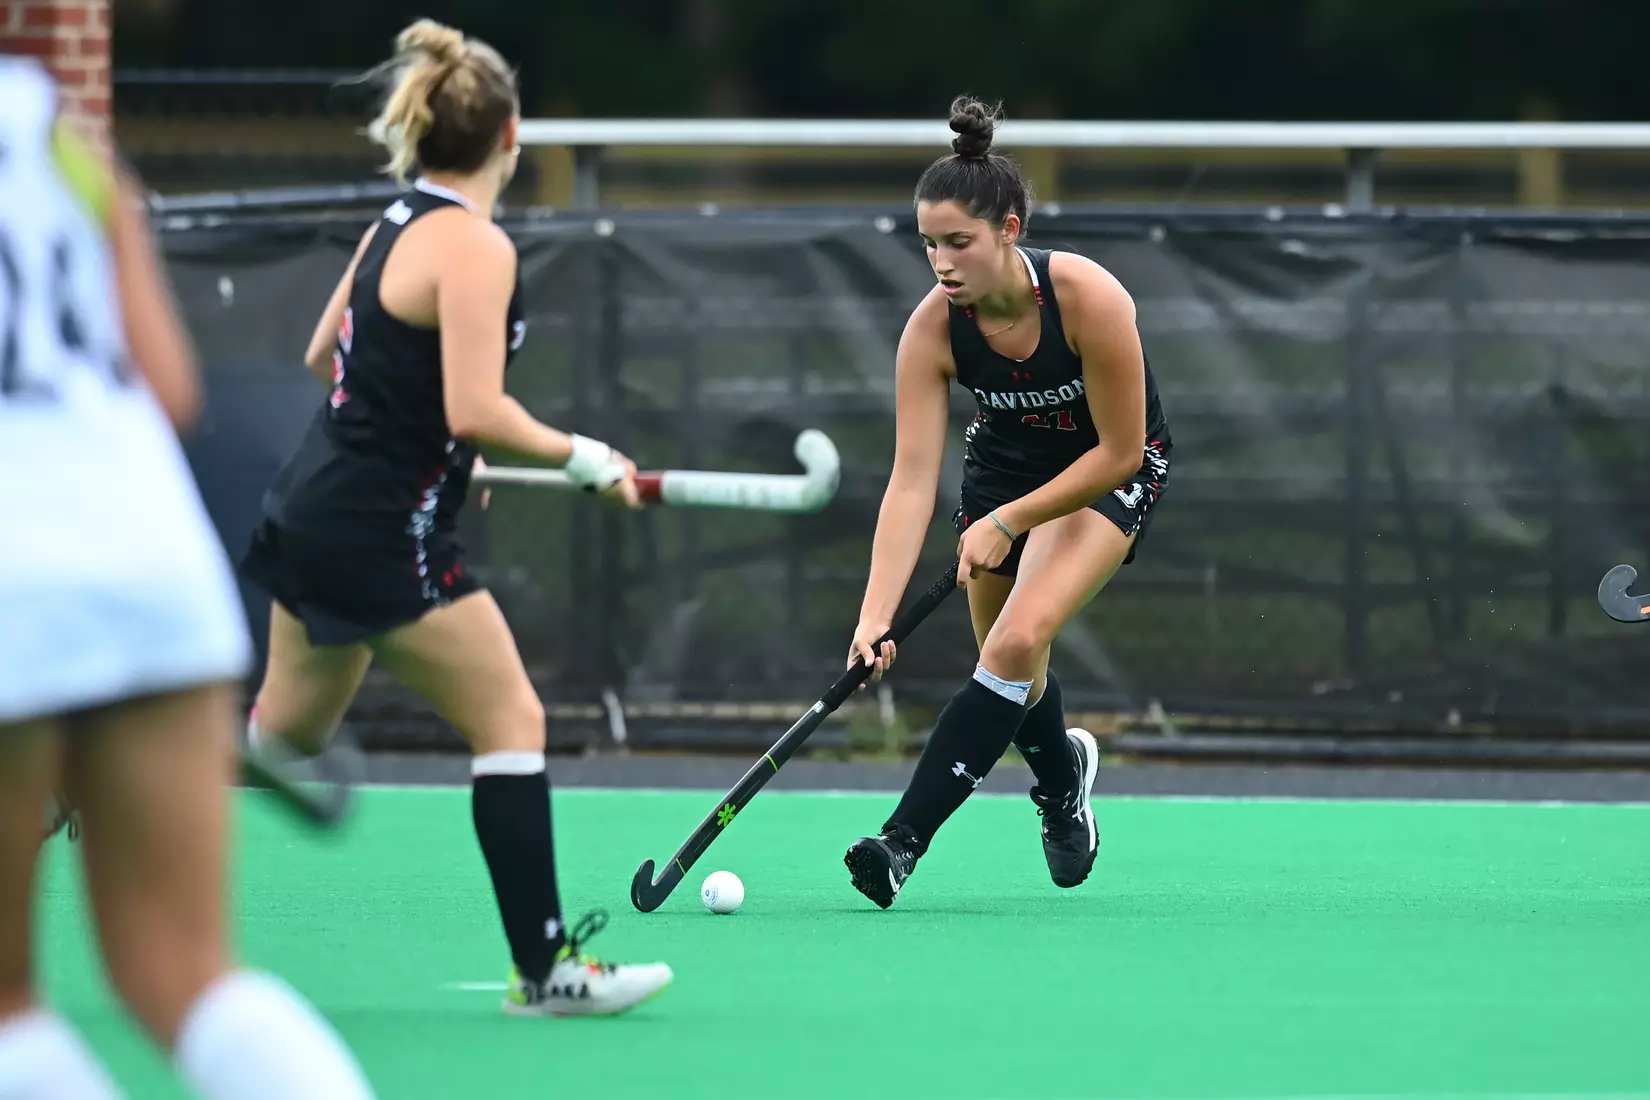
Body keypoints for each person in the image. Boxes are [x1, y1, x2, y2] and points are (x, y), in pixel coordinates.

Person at [236, 19, 673, 1015]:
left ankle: (84, 774)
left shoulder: (393, 223)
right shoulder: (476, 247)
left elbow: (326, 360)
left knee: (279, 738)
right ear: (510, 135)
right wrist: (585, 456)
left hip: (316, 501)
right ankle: (548, 967)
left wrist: (437, 451)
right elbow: (474, 407)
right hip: (378, 528)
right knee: (510, 717)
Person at [0, 55, 377, 1099]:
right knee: (188, 973)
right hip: (145, 557)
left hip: (14, 567)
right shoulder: (59, 140)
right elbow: (167, 388)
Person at [842, 96, 1172, 909]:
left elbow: (1121, 450)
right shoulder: (931, 333)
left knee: (1020, 635)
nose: (943, 263)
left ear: (1010, 231)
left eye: (959, 243)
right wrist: (874, 613)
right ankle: (1063, 781)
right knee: (1013, 669)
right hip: (1002, 477)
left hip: (1107, 469)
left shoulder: (1089, 300)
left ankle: (900, 842)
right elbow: (911, 479)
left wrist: (1012, 521)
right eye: (929, 245)